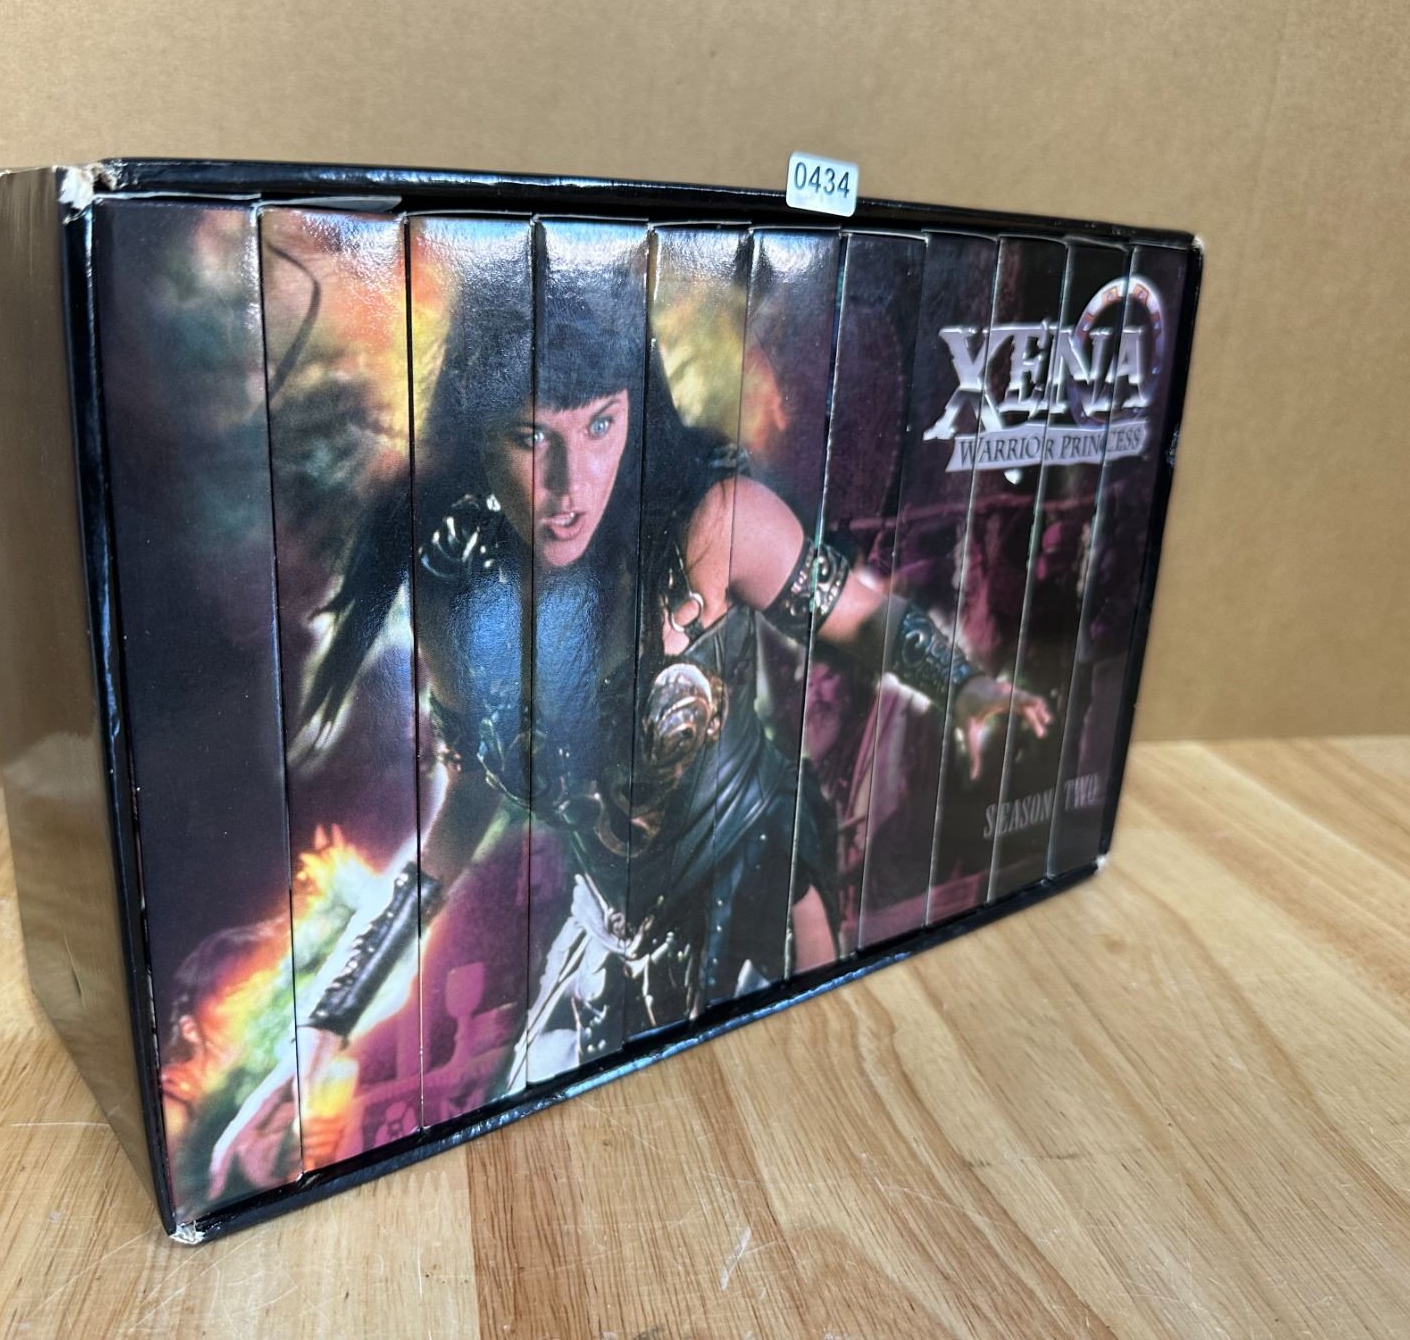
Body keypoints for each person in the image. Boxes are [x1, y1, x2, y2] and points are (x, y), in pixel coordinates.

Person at [209, 263, 1047, 1192]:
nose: (570, 485)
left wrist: (967, 686)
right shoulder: (456, 589)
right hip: (605, 932)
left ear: (633, 413)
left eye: (600, 426)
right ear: (479, 434)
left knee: (781, 1141)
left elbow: (860, 617)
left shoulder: (715, 525)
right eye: (532, 437)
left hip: (755, 884)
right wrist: (325, 1021)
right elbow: (468, 801)